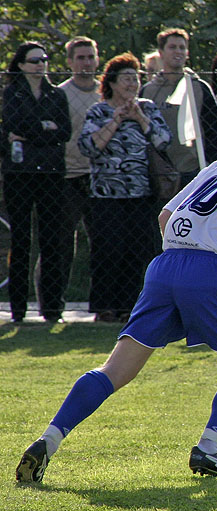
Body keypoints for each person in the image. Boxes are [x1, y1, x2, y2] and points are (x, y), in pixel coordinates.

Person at [16, 104, 217, 483]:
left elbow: (166, 216)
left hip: (165, 265)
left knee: (115, 369)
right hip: (211, 271)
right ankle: (208, 449)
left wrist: (183, 264)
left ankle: (49, 438)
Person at [78, 53, 172, 322]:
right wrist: (116, 120)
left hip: (142, 194)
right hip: (106, 195)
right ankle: (105, 307)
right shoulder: (99, 111)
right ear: (112, 82)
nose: (133, 83)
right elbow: (89, 147)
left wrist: (140, 118)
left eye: (136, 78)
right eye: (127, 78)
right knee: (108, 250)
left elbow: (163, 141)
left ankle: (131, 306)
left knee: (137, 250)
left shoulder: (148, 108)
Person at [1, 41, 71, 323]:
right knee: (21, 242)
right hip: (19, 175)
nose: (40, 65)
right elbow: (15, 124)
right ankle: (18, 309)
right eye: (34, 61)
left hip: (51, 175)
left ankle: (52, 308)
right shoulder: (12, 93)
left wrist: (33, 131)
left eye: (43, 60)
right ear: (20, 65)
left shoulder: (57, 95)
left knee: (51, 240)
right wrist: (44, 127)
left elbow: (64, 130)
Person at [40, 36, 101, 315]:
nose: (86, 62)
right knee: (62, 244)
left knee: (102, 243)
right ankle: (52, 307)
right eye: (80, 57)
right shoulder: (59, 94)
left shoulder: (106, 93)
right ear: (69, 62)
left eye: (90, 56)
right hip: (66, 177)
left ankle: (104, 307)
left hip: (100, 178)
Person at [140, 28, 217, 187]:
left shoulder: (199, 88)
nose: (178, 51)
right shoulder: (147, 91)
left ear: (187, 53)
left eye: (182, 47)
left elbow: (215, 133)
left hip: (194, 172)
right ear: (161, 53)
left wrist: (210, 168)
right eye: (172, 47)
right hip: (158, 174)